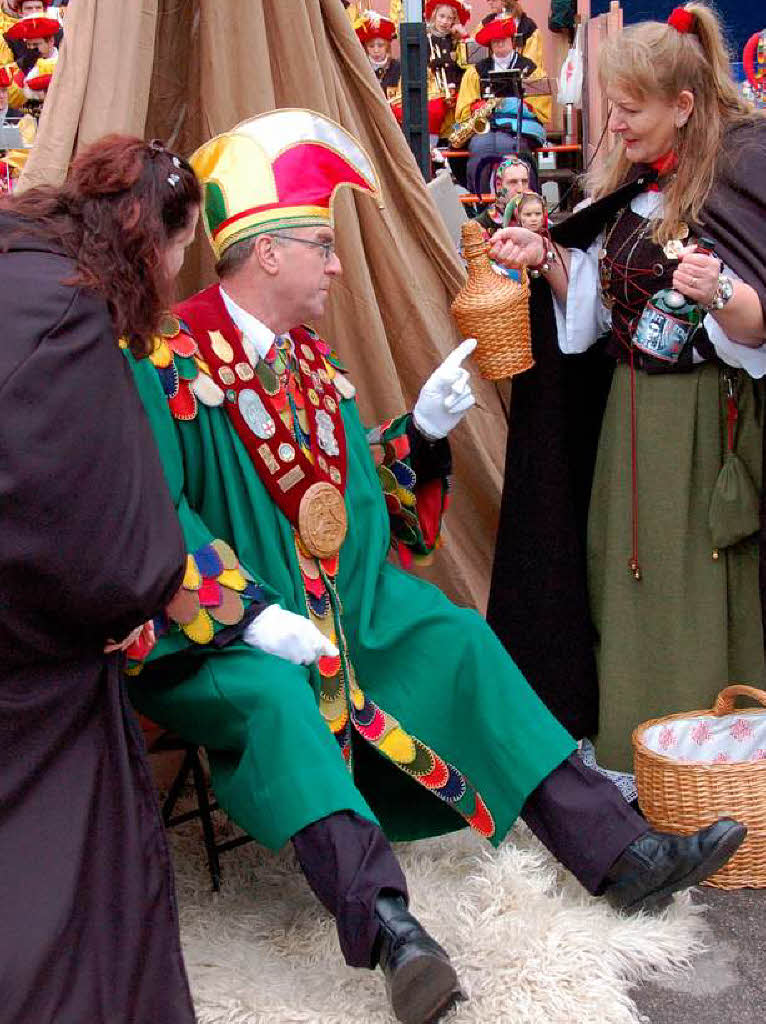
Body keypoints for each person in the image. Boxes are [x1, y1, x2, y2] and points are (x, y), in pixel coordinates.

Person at [125, 108, 745, 1024]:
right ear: (266, 255)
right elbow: (149, 518)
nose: (337, 267)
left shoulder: (310, 366)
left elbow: (353, 503)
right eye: (321, 248)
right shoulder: (160, 358)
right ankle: (390, 933)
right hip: (216, 638)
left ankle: (623, 856)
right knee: (271, 694)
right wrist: (250, 614)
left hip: (347, 609)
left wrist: (420, 430)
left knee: (455, 634)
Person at [487, 4, 766, 772]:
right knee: (621, 576)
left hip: (698, 421)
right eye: (611, 105)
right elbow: (596, 309)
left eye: (631, 108)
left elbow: (756, 325)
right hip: (626, 417)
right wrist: (545, 254)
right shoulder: (631, 192)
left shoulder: (738, 177)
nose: (615, 123)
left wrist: (716, 293)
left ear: (682, 106)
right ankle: (634, 749)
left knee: (688, 584)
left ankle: (708, 757)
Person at [0, 135, 200, 1022]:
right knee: (64, 876)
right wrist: (149, 588)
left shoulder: (18, 264)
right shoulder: (69, 317)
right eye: (180, 248)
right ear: (146, 238)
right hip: (27, 670)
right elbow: (111, 535)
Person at [454, 13, 549, 195]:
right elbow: (464, 108)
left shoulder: (530, 69)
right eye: (495, 41)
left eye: (503, 40)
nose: (499, 44)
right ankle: (481, 203)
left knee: (514, 150)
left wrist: (509, 104)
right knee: (480, 150)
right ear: (490, 44)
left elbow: (540, 108)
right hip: (486, 126)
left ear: (512, 41)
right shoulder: (476, 71)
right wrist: (482, 106)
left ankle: (525, 203)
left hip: (520, 126)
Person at [472, 154, 529, 238]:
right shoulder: (480, 225)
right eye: (513, 182)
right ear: (499, 185)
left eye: (524, 181)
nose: (520, 189)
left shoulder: (539, 217)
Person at [355, 9, 400, 100]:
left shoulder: (397, 67)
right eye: (371, 46)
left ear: (387, 46)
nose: (376, 50)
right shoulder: (361, 67)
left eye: (380, 46)